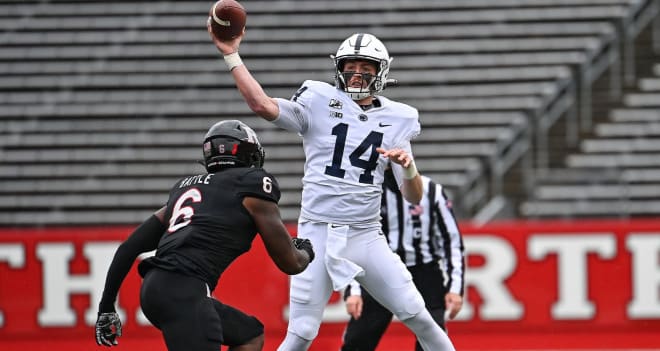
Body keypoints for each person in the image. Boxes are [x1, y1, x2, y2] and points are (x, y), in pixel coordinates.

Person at [208, 22, 456, 351]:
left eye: (365, 68)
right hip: (317, 232)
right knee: (303, 332)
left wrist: (408, 168)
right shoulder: (318, 98)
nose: (355, 74)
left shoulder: (399, 118)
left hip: (366, 234)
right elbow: (262, 106)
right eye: (349, 67)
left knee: (418, 314)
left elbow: (414, 196)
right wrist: (232, 55)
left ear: (381, 72)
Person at [94, 120, 315, 351]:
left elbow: (129, 247)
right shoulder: (253, 184)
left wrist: (106, 307)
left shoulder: (185, 188)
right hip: (184, 288)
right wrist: (307, 250)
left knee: (249, 334)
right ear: (249, 154)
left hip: (156, 288)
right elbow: (291, 263)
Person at [341, 167, 465, 351]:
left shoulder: (432, 190)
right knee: (357, 342)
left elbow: (452, 242)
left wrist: (455, 288)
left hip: (424, 272)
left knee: (432, 340)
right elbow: (355, 242)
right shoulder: (369, 192)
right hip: (381, 272)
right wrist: (353, 290)